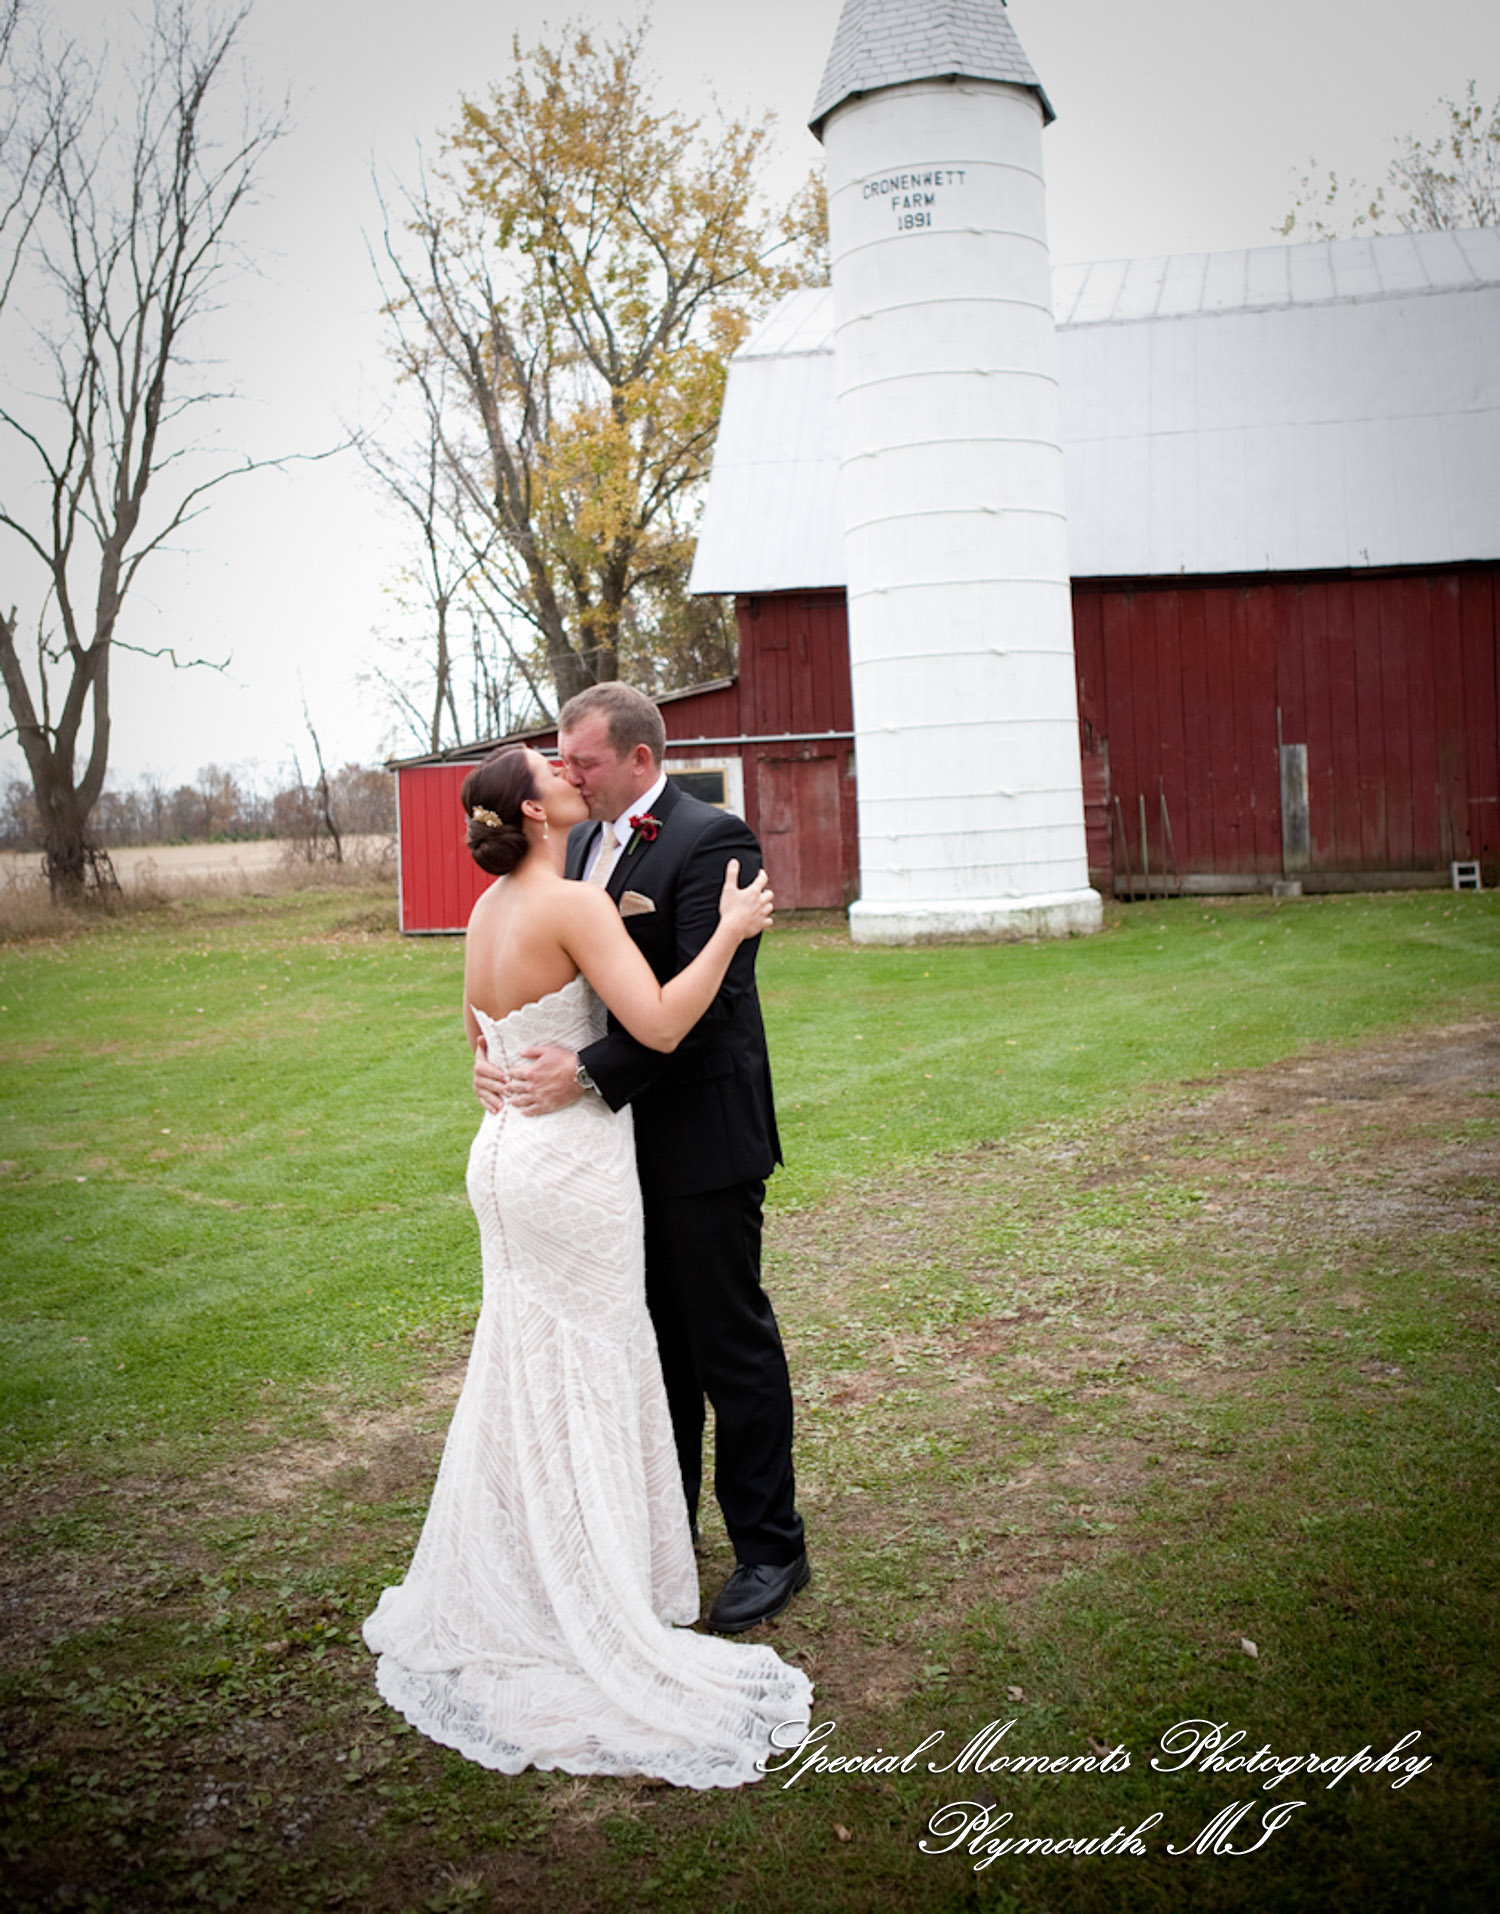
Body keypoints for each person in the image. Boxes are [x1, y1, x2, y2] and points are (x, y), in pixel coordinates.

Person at [362, 744, 812, 1788]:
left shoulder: (489, 912)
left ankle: (534, 1565)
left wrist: (618, 935)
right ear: (534, 806)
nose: (567, 768)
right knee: (606, 1358)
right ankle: (604, 1585)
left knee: (530, 1363)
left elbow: (478, 1039)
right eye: (548, 765)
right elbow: (655, 1020)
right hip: (574, 1163)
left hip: (507, 1159)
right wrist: (731, 932)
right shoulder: (571, 904)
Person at [474, 684, 809, 1634]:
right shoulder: (577, 847)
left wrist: (581, 1071)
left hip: (700, 1135)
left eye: (581, 761)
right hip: (603, 1158)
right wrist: (497, 1064)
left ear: (638, 760)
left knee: (725, 1343)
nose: (569, 774)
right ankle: (666, 1530)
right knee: (649, 1350)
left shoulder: (715, 840)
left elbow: (705, 1007)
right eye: (562, 763)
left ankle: (771, 1548)